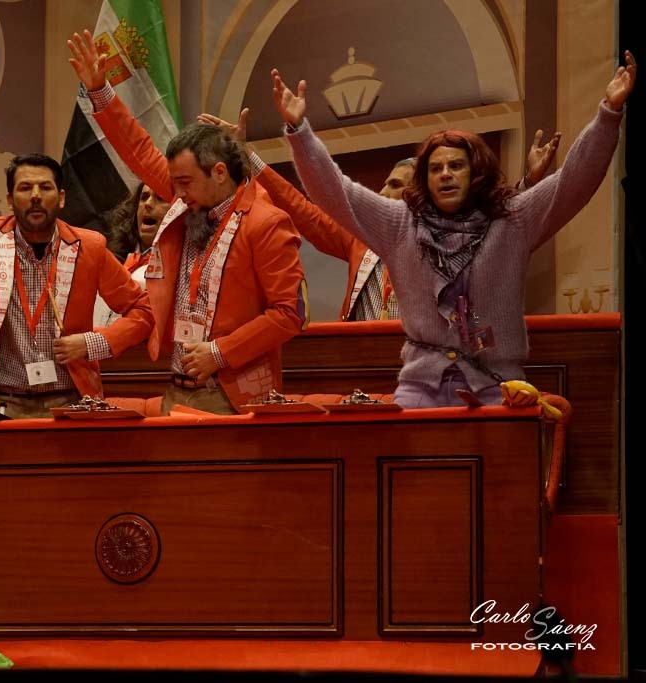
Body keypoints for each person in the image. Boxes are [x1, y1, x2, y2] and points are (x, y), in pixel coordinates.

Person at [274, 50, 636, 407]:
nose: (445, 174)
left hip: (497, 384)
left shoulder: (512, 220)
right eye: (435, 168)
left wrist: (608, 114)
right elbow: (337, 193)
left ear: (475, 172)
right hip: (421, 387)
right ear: (425, 179)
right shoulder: (399, 223)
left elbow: (573, 182)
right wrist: (299, 133)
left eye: (456, 166)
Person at [68, 32, 306, 415]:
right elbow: (139, 150)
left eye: (184, 182)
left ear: (219, 172)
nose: (174, 193)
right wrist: (100, 91)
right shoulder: (190, 200)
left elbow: (289, 314)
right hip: (176, 388)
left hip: (234, 395)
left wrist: (219, 352)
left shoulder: (267, 222)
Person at [197, 110, 561, 321]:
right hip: (364, 358)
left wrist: (528, 184)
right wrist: (246, 156)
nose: (383, 193)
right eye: (385, 184)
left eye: (397, 185)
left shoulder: (450, 236)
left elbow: (496, 228)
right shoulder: (359, 238)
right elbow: (298, 207)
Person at [0, 153, 153, 418]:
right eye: (25, 188)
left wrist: (93, 343)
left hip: (70, 399)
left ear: (61, 198)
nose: (35, 196)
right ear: (10, 200)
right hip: (2, 401)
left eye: (45, 187)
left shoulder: (89, 248)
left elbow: (143, 310)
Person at [94, 183, 172, 326]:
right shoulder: (112, 257)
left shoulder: (181, 269)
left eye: (160, 198)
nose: (148, 204)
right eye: (144, 197)